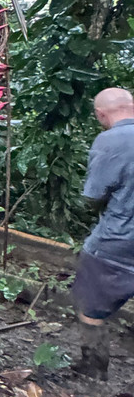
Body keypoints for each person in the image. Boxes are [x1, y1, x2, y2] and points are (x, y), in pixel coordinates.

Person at [71, 87, 134, 380]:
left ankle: (92, 372)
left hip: (118, 242)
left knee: (90, 307)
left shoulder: (111, 141)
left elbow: (94, 196)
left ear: (101, 114)